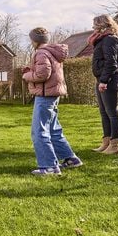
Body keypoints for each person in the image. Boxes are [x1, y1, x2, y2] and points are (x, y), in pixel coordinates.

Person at [22, 27, 82, 176]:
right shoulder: (53, 52)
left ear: (34, 41)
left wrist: (27, 75)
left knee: (39, 131)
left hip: (45, 96)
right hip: (53, 95)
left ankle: (49, 167)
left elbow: (43, 74)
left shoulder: (41, 53)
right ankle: (70, 158)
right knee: (53, 129)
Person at [89, 15, 118, 154]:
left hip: (110, 80)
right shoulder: (102, 39)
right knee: (104, 112)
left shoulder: (110, 39)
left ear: (102, 25)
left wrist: (104, 81)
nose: (93, 27)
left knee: (112, 113)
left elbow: (111, 62)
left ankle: (115, 145)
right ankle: (106, 142)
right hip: (102, 79)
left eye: (95, 25)